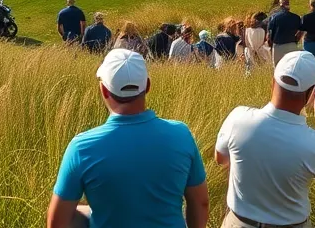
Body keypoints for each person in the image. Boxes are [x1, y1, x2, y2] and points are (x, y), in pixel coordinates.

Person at [48, 49, 209, 228]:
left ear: (104, 90)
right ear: (147, 86)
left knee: (77, 211)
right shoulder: (181, 134)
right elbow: (201, 202)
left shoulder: (81, 148)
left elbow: (56, 222)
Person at [214, 51, 315, 228]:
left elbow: (221, 159)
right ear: (311, 93)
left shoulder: (237, 118)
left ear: (273, 82)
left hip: (238, 223)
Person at [267, 0, 303, 66]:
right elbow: (300, 32)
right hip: (292, 44)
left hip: (278, 45)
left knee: (277, 67)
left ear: (281, 5)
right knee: (291, 66)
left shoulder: (274, 17)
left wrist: (270, 44)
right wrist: (296, 41)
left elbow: (269, 34)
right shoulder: (296, 17)